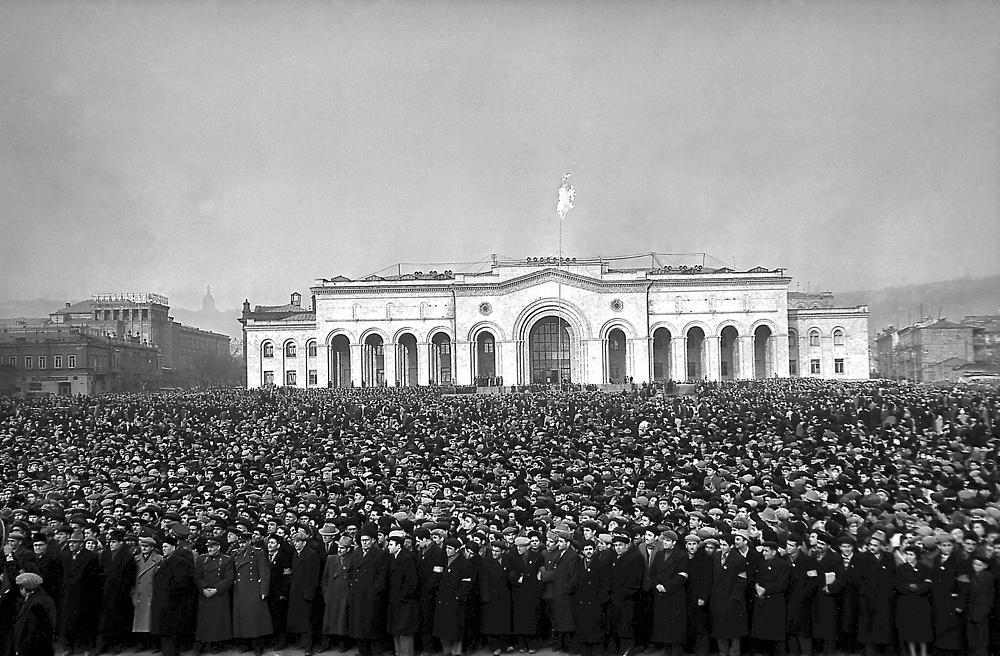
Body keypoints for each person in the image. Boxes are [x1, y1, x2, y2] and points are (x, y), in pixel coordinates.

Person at [150, 534, 197, 656]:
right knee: (166, 635)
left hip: (171, 604)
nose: (163, 549)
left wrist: (168, 595)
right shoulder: (166, 560)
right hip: (165, 603)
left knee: (170, 635)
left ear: (173, 547)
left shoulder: (179, 561)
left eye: (166, 546)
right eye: (162, 547)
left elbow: (180, 582)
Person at [94, 529, 137, 656]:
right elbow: (100, 572)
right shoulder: (105, 554)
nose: (111, 544)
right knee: (103, 620)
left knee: (117, 620)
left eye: (114, 542)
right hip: (104, 591)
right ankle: (101, 645)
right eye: (110, 542)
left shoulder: (127, 556)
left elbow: (129, 577)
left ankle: (116, 645)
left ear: (120, 543)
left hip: (118, 593)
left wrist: (123, 592)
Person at [345, 527, 387, 656]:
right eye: (362, 540)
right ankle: (362, 649)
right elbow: (350, 570)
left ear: (373, 540)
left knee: (371, 622)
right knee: (358, 622)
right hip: (357, 593)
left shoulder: (380, 554)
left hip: (371, 594)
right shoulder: (356, 553)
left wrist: (375, 589)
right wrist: (351, 585)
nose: (364, 543)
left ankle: (374, 650)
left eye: (367, 540)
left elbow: (382, 574)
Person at [231, 528, 273, 656]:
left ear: (250, 541)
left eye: (244, 542)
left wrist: (264, 590)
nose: (241, 545)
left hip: (254, 588)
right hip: (240, 589)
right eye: (240, 543)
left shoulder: (257, 553)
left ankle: (258, 646)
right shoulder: (235, 554)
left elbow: (264, 572)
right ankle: (245, 644)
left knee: (255, 619)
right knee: (242, 619)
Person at [60, 531, 103, 656]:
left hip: (85, 594)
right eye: (70, 542)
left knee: (85, 622)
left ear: (81, 544)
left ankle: (87, 647)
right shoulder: (65, 555)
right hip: (68, 593)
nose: (72, 545)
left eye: (74, 542)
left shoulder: (91, 556)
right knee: (68, 621)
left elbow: (95, 577)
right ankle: (69, 647)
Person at [432, 538, 475, 656]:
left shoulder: (465, 564)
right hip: (442, 598)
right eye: (446, 548)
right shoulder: (443, 560)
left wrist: (458, 596)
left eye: (450, 549)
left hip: (454, 601)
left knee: (455, 629)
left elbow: (466, 583)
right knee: (442, 629)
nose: (447, 550)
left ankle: (456, 652)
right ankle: (446, 651)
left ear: (457, 550)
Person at [648, 530, 687, 656]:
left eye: (668, 540)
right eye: (664, 540)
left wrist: (667, 586)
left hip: (673, 594)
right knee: (662, 620)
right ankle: (666, 646)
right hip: (660, 592)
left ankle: (675, 648)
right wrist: (657, 585)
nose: (665, 543)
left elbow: (682, 575)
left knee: (674, 622)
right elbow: (652, 573)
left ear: (674, 543)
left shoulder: (681, 555)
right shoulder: (659, 554)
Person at [193, 536, 235, 655]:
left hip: (219, 594)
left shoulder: (226, 560)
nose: (210, 549)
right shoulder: (201, 559)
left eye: (212, 546)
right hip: (205, 594)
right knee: (204, 620)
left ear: (218, 547)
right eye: (208, 546)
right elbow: (197, 576)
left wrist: (216, 589)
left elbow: (229, 578)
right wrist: (204, 588)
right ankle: (201, 644)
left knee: (218, 621)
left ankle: (217, 644)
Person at [710, 533, 748, 656]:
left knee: (733, 630)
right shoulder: (715, 556)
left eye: (725, 545)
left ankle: (734, 652)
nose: (722, 547)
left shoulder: (739, 559)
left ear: (731, 546)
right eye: (721, 544)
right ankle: (723, 652)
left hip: (731, 599)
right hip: (717, 598)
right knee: (719, 628)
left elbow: (742, 580)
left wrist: (733, 597)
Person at [505, 535, 544, 653]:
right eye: (517, 547)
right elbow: (509, 573)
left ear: (528, 547)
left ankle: (532, 644)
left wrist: (537, 587)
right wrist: (516, 580)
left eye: (521, 547)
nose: (519, 549)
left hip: (532, 592)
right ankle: (521, 644)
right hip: (518, 591)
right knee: (519, 618)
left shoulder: (537, 557)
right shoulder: (511, 557)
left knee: (532, 618)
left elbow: (540, 574)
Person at [750, 540, 789, 656]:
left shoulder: (782, 564)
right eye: (763, 551)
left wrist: (766, 589)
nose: (764, 553)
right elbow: (757, 577)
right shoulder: (761, 563)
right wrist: (757, 585)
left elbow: (782, 583)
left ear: (773, 552)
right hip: (761, 600)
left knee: (773, 633)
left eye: (766, 551)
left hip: (774, 600)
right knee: (761, 631)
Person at [608, 532, 643, 656]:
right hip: (617, 597)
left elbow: (634, 581)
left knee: (626, 625)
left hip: (628, 598)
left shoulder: (633, 558)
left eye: (620, 545)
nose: (618, 548)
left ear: (627, 545)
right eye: (616, 545)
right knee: (618, 624)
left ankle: (628, 650)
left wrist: (621, 594)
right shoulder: (616, 557)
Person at [572, 539, 609, 656]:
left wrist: (600, 599)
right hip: (582, 601)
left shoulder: (600, 563)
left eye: (590, 549)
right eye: (586, 549)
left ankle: (596, 649)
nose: (588, 552)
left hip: (595, 601)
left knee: (596, 627)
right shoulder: (579, 563)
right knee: (583, 625)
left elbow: (605, 583)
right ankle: (585, 648)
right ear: (582, 551)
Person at [385, 534, 419, 656]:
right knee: (396, 630)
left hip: (404, 601)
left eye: (391, 545)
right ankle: (399, 652)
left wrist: (402, 595)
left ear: (398, 546)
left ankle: (406, 653)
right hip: (395, 600)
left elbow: (412, 581)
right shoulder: (393, 558)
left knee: (404, 631)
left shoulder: (406, 559)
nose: (388, 547)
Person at [319, 536, 351, 653]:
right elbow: (325, 577)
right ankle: (325, 644)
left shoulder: (352, 560)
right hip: (331, 594)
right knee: (328, 621)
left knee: (342, 621)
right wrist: (325, 592)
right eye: (338, 547)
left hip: (343, 595)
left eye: (342, 548)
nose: (339, 550)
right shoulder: (331, 559)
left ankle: (342, 644)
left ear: (348, 549)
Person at [130, 536, 162, 653]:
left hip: (151, 592)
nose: (143, 548)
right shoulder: (135, 559)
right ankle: (141, 644)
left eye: (146, 546)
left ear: (152, 547)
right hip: (139, 592)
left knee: (150, 620)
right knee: (139, 620)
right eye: (142, 546)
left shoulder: (159, 559)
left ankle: (154, 644)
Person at [479, 541, 512, 656]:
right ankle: (495, 646)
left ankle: (505, 644)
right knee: (492, 623)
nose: (494, 553)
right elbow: (483, 580)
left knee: (504, 621)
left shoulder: (507, 560)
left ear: (503, 552)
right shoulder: (486, 561)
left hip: (504, 595)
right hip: (491, 596)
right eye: (493, 550)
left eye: (497, 551)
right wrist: (485, 596)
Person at [13, 572, 57, 656]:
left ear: (23, 589)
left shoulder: (36, 605)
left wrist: (21, 651)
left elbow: (35, 634)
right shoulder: (43, 597)